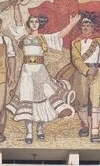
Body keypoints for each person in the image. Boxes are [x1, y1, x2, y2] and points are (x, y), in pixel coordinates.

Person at [7, 10, 80, 144]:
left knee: (43, 98)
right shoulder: (23, 37)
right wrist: (16, 5)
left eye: (36, 22)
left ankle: (40, 128)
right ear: (28, 24)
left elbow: (60, 35)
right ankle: (29, 132)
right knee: (27, 97)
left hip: (40, 71)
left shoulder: (43, 38)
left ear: (39, 24)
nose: (34, 24)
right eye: (32, 22)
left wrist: (72, 24)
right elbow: (18, 21)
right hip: (27, 72)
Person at [57, 17, 100, 143]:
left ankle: (95, 132)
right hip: (82, 73)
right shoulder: (75, 42)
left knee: (96, 102)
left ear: (92, 27)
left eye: (88, 25)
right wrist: (86, 70)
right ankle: (85, 125)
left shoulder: (99, 40)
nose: (85, 28)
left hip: (97, 72)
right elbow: (76, 59)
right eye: (83, 25)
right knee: (82, 101)